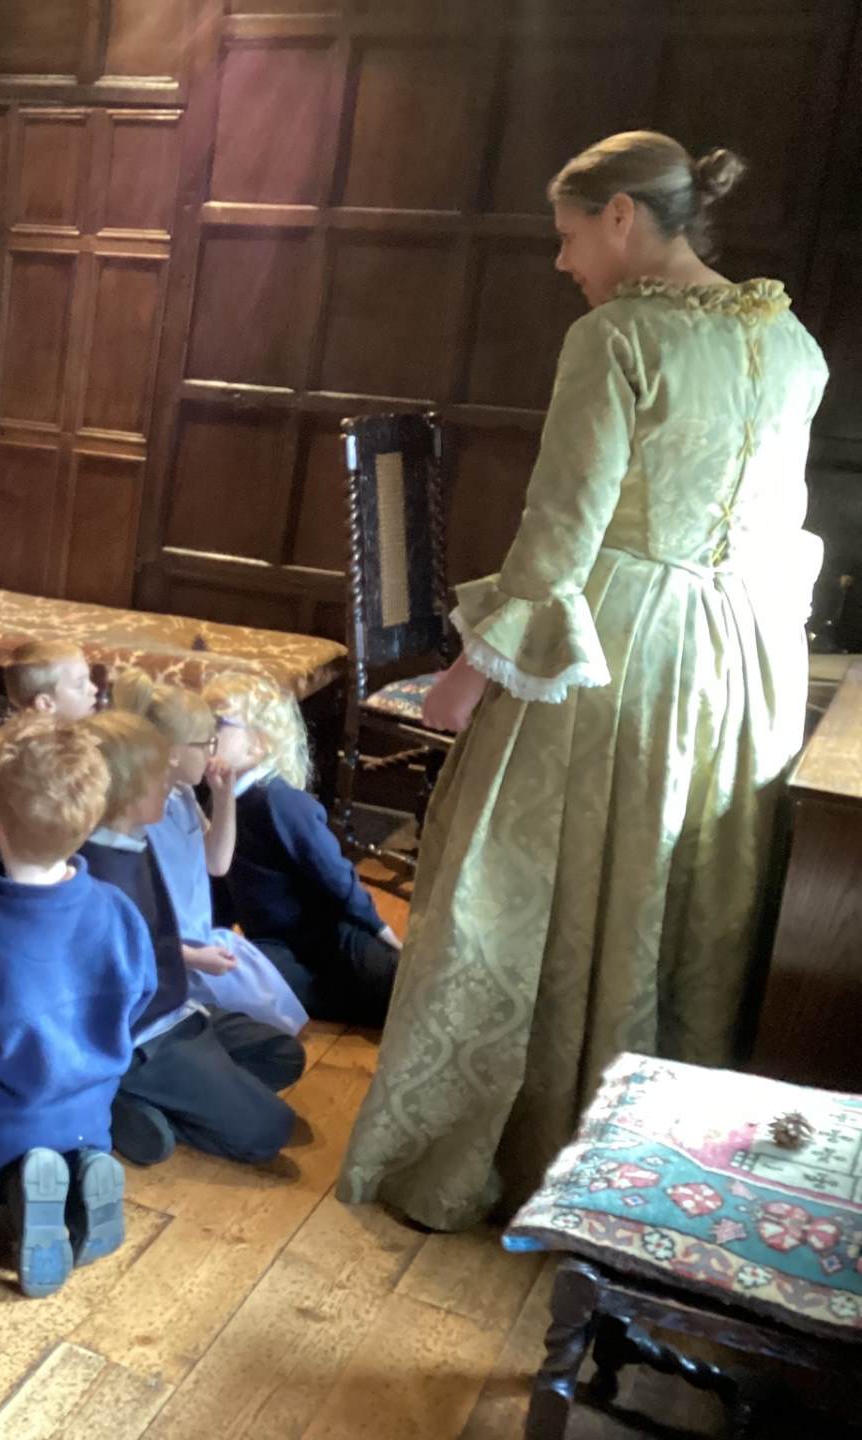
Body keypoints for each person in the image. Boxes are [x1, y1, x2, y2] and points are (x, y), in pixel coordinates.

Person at [339, 133, 830, 1233]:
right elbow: (781, 526)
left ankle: (508, 1149)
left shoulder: (618, 337)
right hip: (741, 656)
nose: (564, 263)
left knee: (509, 885)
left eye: (568, 237)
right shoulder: (792, 342)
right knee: (668, 888)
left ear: (622, 216)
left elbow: (562, 531)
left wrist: (468, 675)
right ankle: (641, 1165)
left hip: (621, 650)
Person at [0, 717, 153, 1298]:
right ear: (89, 819)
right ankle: (80, 1178)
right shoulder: (119, 911)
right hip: (90, 1116)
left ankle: (7, 1203)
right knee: (64, 1146)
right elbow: (140, 998)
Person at [78, 711, 305, 1170]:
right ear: (125, 791)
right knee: (270, 1131)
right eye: (156, 774)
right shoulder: (97, 870)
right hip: (144, 1038)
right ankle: (122, 1100)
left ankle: (162, 1102)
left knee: (283, 1054)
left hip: (179, 1008)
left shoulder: (134, 839)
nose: (169, 781)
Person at [109, 668, 308, 1036]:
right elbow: (132, 924)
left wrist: (223, 797)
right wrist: (191, 957)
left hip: (202, 942)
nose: (211, 752)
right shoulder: (140, 817)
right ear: (172, 753)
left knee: (280, 1023)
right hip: (172, 956)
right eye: (204, 744)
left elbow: (217, 863)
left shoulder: (183, 794)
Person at [201, 670, 399, 1028]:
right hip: (276, 944)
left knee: (395, 987)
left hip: (331, 935)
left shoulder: (280, 802)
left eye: (217, 724)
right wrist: (209, 937)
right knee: (240, 977)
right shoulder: (219, 800)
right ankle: (337, 998)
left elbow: (335, 874)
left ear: (259, 744)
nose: (202, 733)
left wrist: (379, 929)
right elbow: (222, 881)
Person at [0, 640, 100, 852]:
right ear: (46, 704)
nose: (94, 689)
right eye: (80, 684)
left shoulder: (61, 743)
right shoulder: (21, 760)